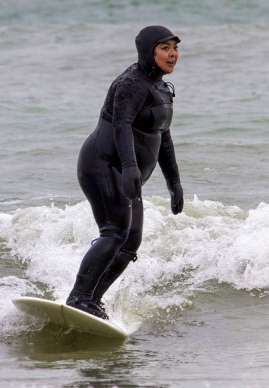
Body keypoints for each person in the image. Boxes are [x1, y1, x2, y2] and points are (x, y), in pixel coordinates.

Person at [66, 25, 185, 319]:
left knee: (131, 241)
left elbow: (163, 136)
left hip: (125, 171)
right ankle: (78, 297)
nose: (173, 55)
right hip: (103, 164)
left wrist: (175, 181)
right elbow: (120, 125)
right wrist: (130, 166)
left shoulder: (160, 87)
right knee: (114, 232)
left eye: (175, 48)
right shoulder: (131, 83)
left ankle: (91, 300)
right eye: (165, 48)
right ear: (148, 51)